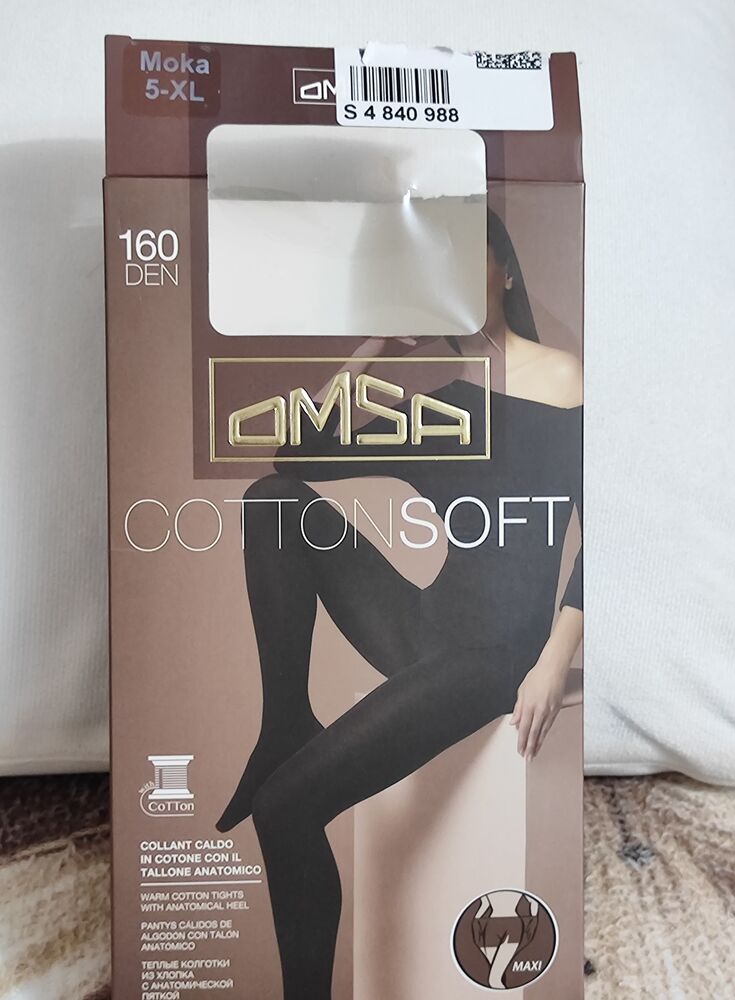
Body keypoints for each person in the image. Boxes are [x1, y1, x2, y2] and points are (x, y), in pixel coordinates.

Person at [217, 210, 583, 1000]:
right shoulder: (443, 406)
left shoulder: (565, 380)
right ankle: (286, 719)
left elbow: (605, 531)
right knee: (273, 500)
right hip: (425, 628)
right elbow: (295, 454)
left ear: (506, 269)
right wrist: (374, 347)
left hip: (492, 657)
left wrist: (554, 659)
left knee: (283, 808)